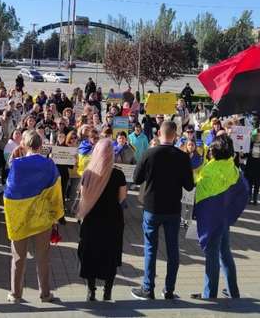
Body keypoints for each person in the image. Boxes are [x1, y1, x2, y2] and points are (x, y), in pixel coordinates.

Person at [131, 121, 194, 300]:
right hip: (173, 209)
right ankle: (169, 290)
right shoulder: (182, 157)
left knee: (150, 248)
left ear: (159, 133)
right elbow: (189, 186)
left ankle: (148, 288)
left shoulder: (149, 153)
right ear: (175, 135)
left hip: (152, 207)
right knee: (172, 249)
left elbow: (136, 179)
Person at [4, 130, 62, 303]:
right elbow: (56, 192)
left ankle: (15, 295)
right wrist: (56, 215)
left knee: (18, 257)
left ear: (24, 144)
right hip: (41, 218)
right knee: (43, 258)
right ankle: (45, 294)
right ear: (41, 145)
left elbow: (8, 194)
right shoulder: (49, 164)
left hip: (20, 218)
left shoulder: (17, 164)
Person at [191, 137, 249, 299]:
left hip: (212, 220)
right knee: (225, 254)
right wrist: (231, 211)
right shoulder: (232, 167)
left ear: (214, 152)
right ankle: (233, 291)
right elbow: (244, 190)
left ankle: (209, 293)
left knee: (212, 257)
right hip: (224, 218)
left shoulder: (209, 170)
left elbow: (197, 190)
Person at [76, 138, 127, 301]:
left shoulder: (88, 174)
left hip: (92, 218)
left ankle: (91, 291)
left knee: (90, 253)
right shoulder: (118, 174)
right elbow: (122, 197)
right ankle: (108, 291)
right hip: (112, 219)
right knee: (110, 254)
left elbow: (83, 196)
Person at [244, 129, 260, 205]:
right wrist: (242, 154)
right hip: (251, 165)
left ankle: (255, 198)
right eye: (256, 136)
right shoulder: (249, 144)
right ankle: (249, 197)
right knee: (249, 183)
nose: (258, 137)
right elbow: (246, 155)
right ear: (253, 136)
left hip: (259, 166)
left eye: (259, 136)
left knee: (257, 183)